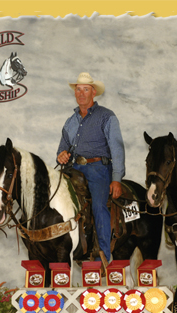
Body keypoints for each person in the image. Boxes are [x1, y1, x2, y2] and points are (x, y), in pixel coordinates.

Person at [57, 72, 125, 265]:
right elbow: (62, 148)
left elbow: (117, 148)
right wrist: (61, 155)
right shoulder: (70, 121)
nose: (81, 93)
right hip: (74, 168)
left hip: (98, 168)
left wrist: (116, 179)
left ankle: (103, 254)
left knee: (98, 206)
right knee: (57, 199)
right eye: (78, 89)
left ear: (93, 92)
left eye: (85, 89)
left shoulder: (107, 116)